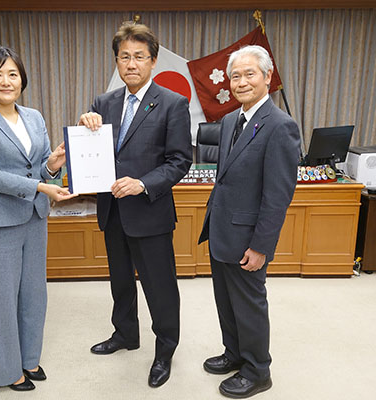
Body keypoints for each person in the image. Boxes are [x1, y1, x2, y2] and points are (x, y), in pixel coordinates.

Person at [78, 22, 192, 388]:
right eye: (124, 56)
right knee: (121, 282)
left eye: (139, 57)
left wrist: (143, 183)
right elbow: (92, 152)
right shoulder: (102, 103)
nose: (131, 63)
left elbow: (179, 161)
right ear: (116, 61)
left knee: (160, 287)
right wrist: (85, 125)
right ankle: (125, 334)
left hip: (150, 211)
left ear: (153, 61)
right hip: (112, 211)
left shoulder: (173, 104)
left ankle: (165, 349)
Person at [0, 45, 76, 391]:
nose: (6, 81)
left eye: (12, 73)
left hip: (34, 218)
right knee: (2, 300)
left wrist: (53, 166)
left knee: (34, 294)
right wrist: (41, 185)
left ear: (22, 78)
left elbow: (39, 167)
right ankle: (8, 370)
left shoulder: (34, 117)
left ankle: (29, 359)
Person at [198, 45, 301, 399]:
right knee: (225, 301)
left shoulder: (281, 127)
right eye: (235, 76)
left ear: (267, 77)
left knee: (249, 303)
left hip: (249, 239)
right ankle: (234, 353)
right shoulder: (229, 120)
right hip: (221, 230)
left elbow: (277, 196)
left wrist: (261, 247)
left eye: (249, 74)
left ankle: (258, 370)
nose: (241, 82)